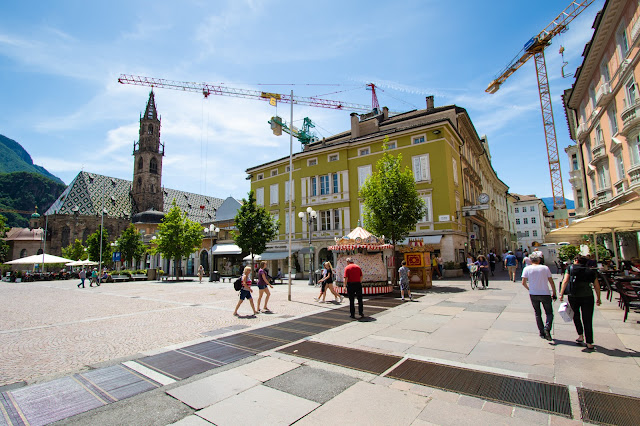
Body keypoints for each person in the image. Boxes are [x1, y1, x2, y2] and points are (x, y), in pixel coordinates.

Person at [559, 256, 601, 350]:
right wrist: (598, 298)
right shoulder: (591, 271)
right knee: (588, 318)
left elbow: (565, 281)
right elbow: (596, 285)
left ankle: (580, 335)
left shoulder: (570, 268)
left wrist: (561, 293)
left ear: (576, 261)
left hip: (573, 295)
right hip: (588, 296)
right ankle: (589, 342)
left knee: (575, 315)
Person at [521, 252, 557, 341]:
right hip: (545, 293)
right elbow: (551, 282)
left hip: (533, 294)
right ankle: (547, 328)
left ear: (530, 260)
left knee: (537, 313)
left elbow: (523, 283)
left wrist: (529, 289)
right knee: (549, 313)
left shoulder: (527, 269)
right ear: (539, 260)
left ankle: (541, 332)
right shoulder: (545, 268)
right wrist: (554, 293)